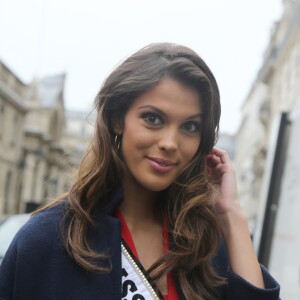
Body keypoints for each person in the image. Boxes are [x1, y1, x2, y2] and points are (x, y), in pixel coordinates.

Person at [0, 43, 280, 300]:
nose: (171, 143)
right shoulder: (49, 239)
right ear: (116, 118)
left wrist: (231, 213)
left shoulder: (205, 245)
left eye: (190, 127)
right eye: (153, 119)